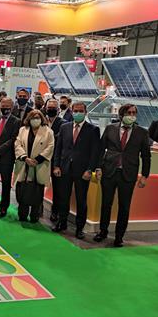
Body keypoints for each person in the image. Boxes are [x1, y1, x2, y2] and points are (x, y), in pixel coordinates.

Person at [94, 104, 151, 247]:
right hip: (109, 172)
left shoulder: (142, 133)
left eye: (133, 113)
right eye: (128, 112)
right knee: (106, 204)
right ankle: (103, 231)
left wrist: (144, 176)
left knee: (124, 207)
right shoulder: (110, 128)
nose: (131, 115)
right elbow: (100, 150)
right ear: (121, 115)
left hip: (129, 174)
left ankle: (119, 237)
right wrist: (98, 167)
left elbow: (146, 156)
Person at [52, 102, 100, 239]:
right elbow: (58, 149)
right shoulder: (64, 127)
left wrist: (89, 170)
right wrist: (56, 166)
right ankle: (62, 223)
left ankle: (80, 228)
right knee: (63, 198)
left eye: (81, 111)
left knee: (81, 200)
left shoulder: (93, 130)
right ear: (72, 112)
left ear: (86, 112)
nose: (78, 113)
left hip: (82, 171)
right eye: (75, 111)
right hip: (65, 168)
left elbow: (95, 153)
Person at [14, 110, 54, 223]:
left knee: (37, 191)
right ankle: (22, 214)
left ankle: (34, 216)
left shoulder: (48, 132)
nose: (35, 120)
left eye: (38, 117)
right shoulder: (23, 130)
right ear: (29, 119)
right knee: (22, 190)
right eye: (33, 117)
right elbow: (17, 144)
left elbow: (50, 147)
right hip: (24, 164)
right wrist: (25, 157)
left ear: (41, 119)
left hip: (39, 165)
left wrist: (38, 159)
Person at [44, 98, 67, 222]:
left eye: (53, 108)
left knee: (57, 189)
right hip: (41, 159)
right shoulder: (41, 121)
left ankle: (55, 212)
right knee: (38, 186)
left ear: (58, 110)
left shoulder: (64, 123)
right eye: (49, 107)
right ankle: (38, 209)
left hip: (56, 161)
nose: (51, 109)